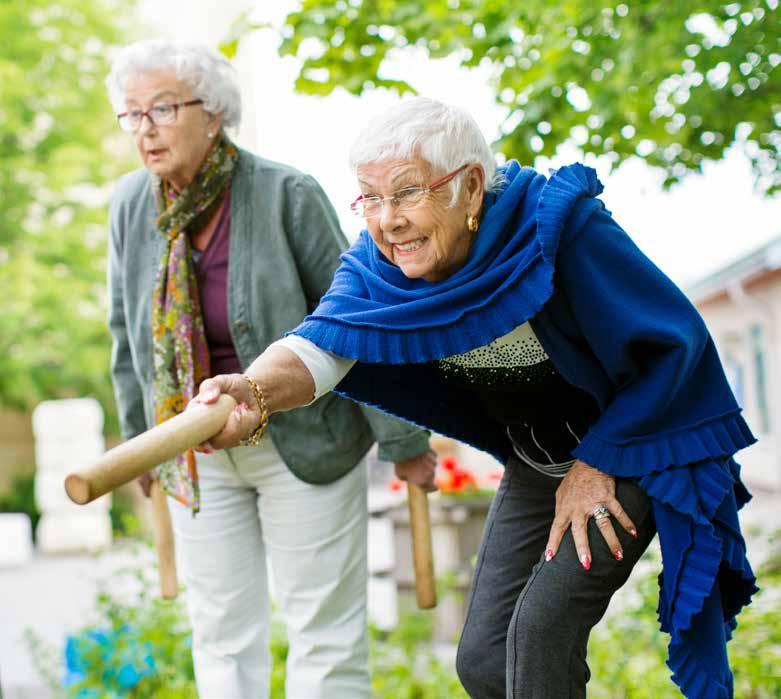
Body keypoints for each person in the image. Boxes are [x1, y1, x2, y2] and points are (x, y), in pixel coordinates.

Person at [195, 97, 758, 699]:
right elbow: (321, 346)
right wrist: (253, 391)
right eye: (370, 199)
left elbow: (675, 347)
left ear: (469, 185)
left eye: (408, 193)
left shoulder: (557, 229)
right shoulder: (377, 270)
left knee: (541, 635)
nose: (388, 221)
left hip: (631, 449)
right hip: (537, 463)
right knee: (485, 662)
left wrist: (599, 463)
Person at [104, 41, 433, 699]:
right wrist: (142, 440)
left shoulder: (287, 193)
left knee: (325, 637)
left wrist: (404, 441)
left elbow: (359, 321)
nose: (144, 129)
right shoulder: (130, 206)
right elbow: (125, 332)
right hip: (193, 445)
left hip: (305, 438)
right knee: (221, 636)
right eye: (131, 114)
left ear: (213, 111)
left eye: (161, 108)